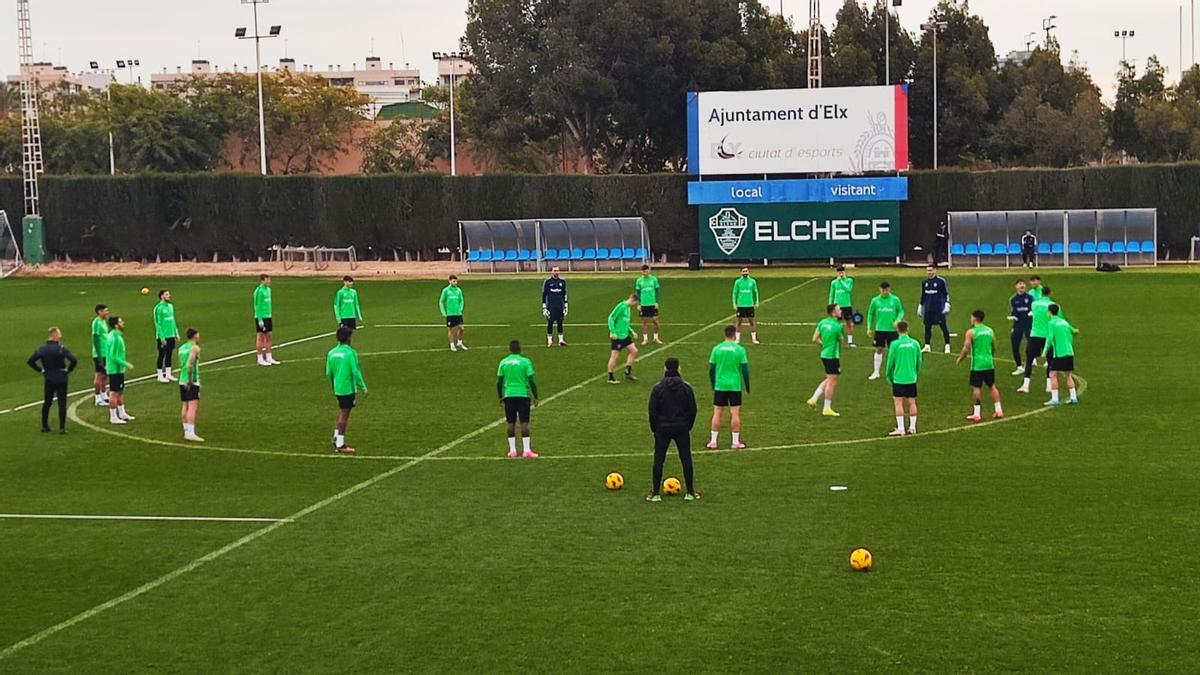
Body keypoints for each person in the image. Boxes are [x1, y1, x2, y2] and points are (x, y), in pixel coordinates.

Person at [647, 357, 699, 502]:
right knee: (686, 458)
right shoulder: (686, 387)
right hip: (681, 427)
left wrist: (655, 428)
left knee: (659, 459)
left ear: (665, 369)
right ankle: (690, 491)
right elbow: (693, 410)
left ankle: (655, 493)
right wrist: (687, 425)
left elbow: (652, 410)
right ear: (678, 368)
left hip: (662, 428)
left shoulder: (657, 388)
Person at [707, 325, 750, 450]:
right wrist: (747, 385)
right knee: (735, 413)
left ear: (725, 335)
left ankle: (714, 441)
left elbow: (711, 369)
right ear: (734, 335)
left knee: (717, 413)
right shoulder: (740, 349)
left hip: (720, 385)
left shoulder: (717, 349)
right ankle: (735, 442)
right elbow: (745, 369)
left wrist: (713, 383)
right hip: (734, 385)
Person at [956, 310, 1004, 422]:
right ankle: (999, 410)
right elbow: (994, 345)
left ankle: (977, 413)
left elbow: (966, 348)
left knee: (977, 388)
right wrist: (990, 356)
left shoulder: (971, 332)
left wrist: (960, 358)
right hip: (989, 363)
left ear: (974, 318)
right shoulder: (989, 330)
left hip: (977, 365)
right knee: (992, 386)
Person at [27, 327, 77, 433]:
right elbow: (73, 360)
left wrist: (41, 370)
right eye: (59, 334)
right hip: (61, 376)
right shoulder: (61, 348)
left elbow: (31, 361)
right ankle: (62, 428)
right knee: (62, 402)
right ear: (54, 335)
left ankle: (44, 426)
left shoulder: (43, 348)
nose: (60, 336)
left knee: (47, 402)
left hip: (49, 376)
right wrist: (68, 370)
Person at [326, 326, 366, 454]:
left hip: (338, 387)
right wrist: (363, 387)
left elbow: (328, 373)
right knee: (345, 414)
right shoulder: (350, 353)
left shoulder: (331, 353)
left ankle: (336, 435)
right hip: (348, 388)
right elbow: (355, 371)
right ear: (348, 338)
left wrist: (334, 384)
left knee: (342, 411)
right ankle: (340, 444)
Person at [497, 340, 539, 458]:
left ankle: (512, 450)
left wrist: (500, 396)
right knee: (524, 423)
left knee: (510, 423)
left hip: (509, 395)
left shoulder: (504, 362)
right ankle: (526, 450)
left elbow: (499, 381)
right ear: (520, 349)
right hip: (522, 395)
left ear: (510, 349)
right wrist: (535, 395)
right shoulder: (525, 362)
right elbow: (531, 380)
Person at [807, 304, 845, 417]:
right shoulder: (837, 326)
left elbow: (814, 339)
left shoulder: (822, 322)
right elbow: (841, 340)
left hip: (824, 354)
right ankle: (827, 408)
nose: (841, 311)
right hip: (833, 356)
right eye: (838, 310)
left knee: (829, 378)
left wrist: (824, 344)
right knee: (832, 381)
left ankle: (814, 399)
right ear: (833, 313)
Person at [886, 321, 922, 436]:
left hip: (898, 378)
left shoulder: (895, 344)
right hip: (911, 378)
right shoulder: (915, 343)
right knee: (912, 402)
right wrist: (915, 372)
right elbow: (919, 361)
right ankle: (912, 427)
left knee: (898, 402)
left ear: (897, 330)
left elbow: (890, 362)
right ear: (908, 329)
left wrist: (888, 375)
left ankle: (901, 428)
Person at [1019, 285, 1055, 394]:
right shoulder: (1053, 305)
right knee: (1050, 361)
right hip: (1047, 336)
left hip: (1034, 335)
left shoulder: (1034, 304)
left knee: (1029, 359)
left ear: (1041, 294)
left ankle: (1026, 385)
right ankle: (1049, 386)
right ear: (1050, 293)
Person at [866, 281, 904, 380]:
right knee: (878, 349)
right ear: (880, 289)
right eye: (883, 290)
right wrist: (869, 327)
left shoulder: (895, 299)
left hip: (892, 330)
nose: (885, 292)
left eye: (886, 290)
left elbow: (901, 311)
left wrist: (898, 320)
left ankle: (896, 372)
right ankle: (876, 372)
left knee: (894, 351)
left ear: (889, 289)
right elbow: (870, 314)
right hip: (880, 329)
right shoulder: (875, 300)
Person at [1044, 304, 1080, 406]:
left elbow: (1050, 338)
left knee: (1052, 374)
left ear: (1050, 312)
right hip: (1070, 352)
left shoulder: (1052, 323)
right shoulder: (1064, 322)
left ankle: (1055, 399)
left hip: (1060, 354)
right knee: (1068, 376)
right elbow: (1074, 331)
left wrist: (1044, 351)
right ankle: (1073, 398)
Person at [105, 315, 135, 425]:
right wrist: (126, 364)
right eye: (121, 321)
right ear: (116, 325)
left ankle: (122, 413)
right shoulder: (115, 338)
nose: (123, 323)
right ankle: (113, 416)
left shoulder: (115, 335)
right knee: (114, 393)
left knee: (120, 391)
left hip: (117, 369)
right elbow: (113, 356)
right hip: (115, 369)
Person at [177, 327, 204, 442]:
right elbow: (190, 365)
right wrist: (191, 380)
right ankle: (190, 433)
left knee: (185, 406)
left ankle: (186, 431)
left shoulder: (181, 348)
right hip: (190, 380)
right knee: (192, 407)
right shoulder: (195, 348)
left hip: (181, 380)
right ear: (195, 336)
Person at [607, 293, 640, 383]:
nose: (635, 305)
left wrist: (631, 331)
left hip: (625, 335)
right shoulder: (621, 306)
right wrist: (612, 331)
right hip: (617, 336)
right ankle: (610, 377)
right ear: (633, 300)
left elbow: (625, 323)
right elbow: (611, 318)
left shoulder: (628, 308)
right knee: (615, 355)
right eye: (636, 303)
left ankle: (627, 372)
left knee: (634, 351)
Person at [918, 265, 951, 353]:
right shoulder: (924, 282)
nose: (929, 272)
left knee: (943, 327)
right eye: (927, 271)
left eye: (931, 270)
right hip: (928, 309)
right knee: (927, 327)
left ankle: (947, 345)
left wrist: (947, 304)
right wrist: (920, 306)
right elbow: (923, 295)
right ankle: (927, 346)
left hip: (938, 309)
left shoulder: (941, 281)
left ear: (935, 270)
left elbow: (945, 294)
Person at [1008, 279, 1034, 376]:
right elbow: (1013, 311)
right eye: (1020, 284)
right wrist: (1013, 317)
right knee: (1014, 345)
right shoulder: (1013, 299)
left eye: (1023, 284)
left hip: (1028, 324)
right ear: (1016, 286)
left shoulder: (1030, 298)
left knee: (1032, 344)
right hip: (1018, 324)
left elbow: (1033, 309)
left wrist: (1031, 313)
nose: (1022, 285)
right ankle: (1019, 367)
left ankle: (1031, 362)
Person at [154, 289, 179, 383]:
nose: (169, 295)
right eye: (167, 294)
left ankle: (168, 374)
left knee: (169, 354)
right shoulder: (158, 308)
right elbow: (158, 323)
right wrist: (161, 337)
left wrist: (176, 332)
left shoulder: (170, 306)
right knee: (161, 355)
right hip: (163, 336)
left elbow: (173, 320)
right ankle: (160, 375)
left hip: (171, 334)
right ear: (162, 296)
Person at [253, 274, 279, 366]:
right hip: (261, 316)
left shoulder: (268, 290)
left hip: (268, 316)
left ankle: (269, 357)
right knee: (260, 336)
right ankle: (260, 358)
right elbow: (257, 305)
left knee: (269, 336)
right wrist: (259, 319)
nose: (269, 281)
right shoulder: (259, 291)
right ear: (262, 281)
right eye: (267, 280)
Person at [828, 265, 856, 347]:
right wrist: (830, 305)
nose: (840, 274)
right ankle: (835, 340)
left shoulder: (849, 280)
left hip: (847, 305)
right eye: (839, 272)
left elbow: (848, 290)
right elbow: (831, 294)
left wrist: (841, 281)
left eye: (842, 272)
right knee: (836, 324)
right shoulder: (833, 282)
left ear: (844, 272)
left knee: (849, 323)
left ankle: (850, 341)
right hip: (837, 306)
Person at [732, 266, 760, 344]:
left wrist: (757, 301)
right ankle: (737, 339)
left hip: (750, 305)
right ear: (741, 272)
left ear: (748, 272)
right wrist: (734, 303)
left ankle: (754, 339)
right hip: (740, 305)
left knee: (752, 321)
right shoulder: (738, 282)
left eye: (746, 271)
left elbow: (756, 292)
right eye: (743, 271)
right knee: (738, 322)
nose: (745, 272)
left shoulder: (752, 281)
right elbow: (734, 293)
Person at [635, 264, 662, 345]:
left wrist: (656, 302)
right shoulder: (639, 281)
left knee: (655, 320)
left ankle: (656, 338)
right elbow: (637, 293)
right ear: (642, 272)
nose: (645, 273)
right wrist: (638, 304)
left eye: (647, 271)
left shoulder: (654, 279)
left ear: (649, 271)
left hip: (652, 303)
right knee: (644, 321)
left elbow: (657, 291)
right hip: (643, 304)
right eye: (644, 271)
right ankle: (645, 339)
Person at [542, 266, 569, 347]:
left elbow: (564, 294)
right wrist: (544, 306)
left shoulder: (562, 282)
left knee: (560, 322)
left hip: (559, 306)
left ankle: (561, 340)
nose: (556, 272)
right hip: (550, 306)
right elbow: (544, 295)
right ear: (552, 272)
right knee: (550, 323)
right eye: (554, 270)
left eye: (557, 270)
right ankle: (549, 340)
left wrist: (566, 305)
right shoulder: (547, 282)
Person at [439, 275, 467, 351]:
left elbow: (461, 300)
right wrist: (443, 312)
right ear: (450, 281)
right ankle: (452, 345)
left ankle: (459, 342)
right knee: (451, 330)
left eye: (456, 281)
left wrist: (460, 309)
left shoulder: (458, 290)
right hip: (450, 314)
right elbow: (441, 301)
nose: (455, 283)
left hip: (458, 314)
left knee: (462, 328)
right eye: (453, 281)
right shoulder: (446, 290)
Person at [90, 304, 111, 407]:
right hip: (99, 353)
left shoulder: (103, 322)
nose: (107, 313)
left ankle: (103, 394)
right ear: (99, 312)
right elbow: (95, 339)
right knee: (99, 375)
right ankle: (97, 398)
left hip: (106, 352)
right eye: (105, 311)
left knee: (105, 375)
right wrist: (98, 355)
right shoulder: (96, 323)